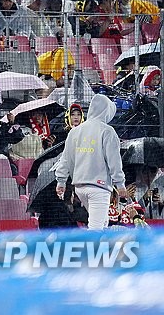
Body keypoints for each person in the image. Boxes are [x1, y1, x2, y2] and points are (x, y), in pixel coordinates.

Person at [54, 93, 127, 231]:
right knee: (96, 229)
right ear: (107, 111)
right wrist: (120, 184)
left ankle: (103, 252)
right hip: (99, 187)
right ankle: (91, 251)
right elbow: (114, 161)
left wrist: (61, 181)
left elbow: (65, 159)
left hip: (80, 187)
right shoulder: (107, 131)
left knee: (102, 222)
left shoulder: (75, 131)